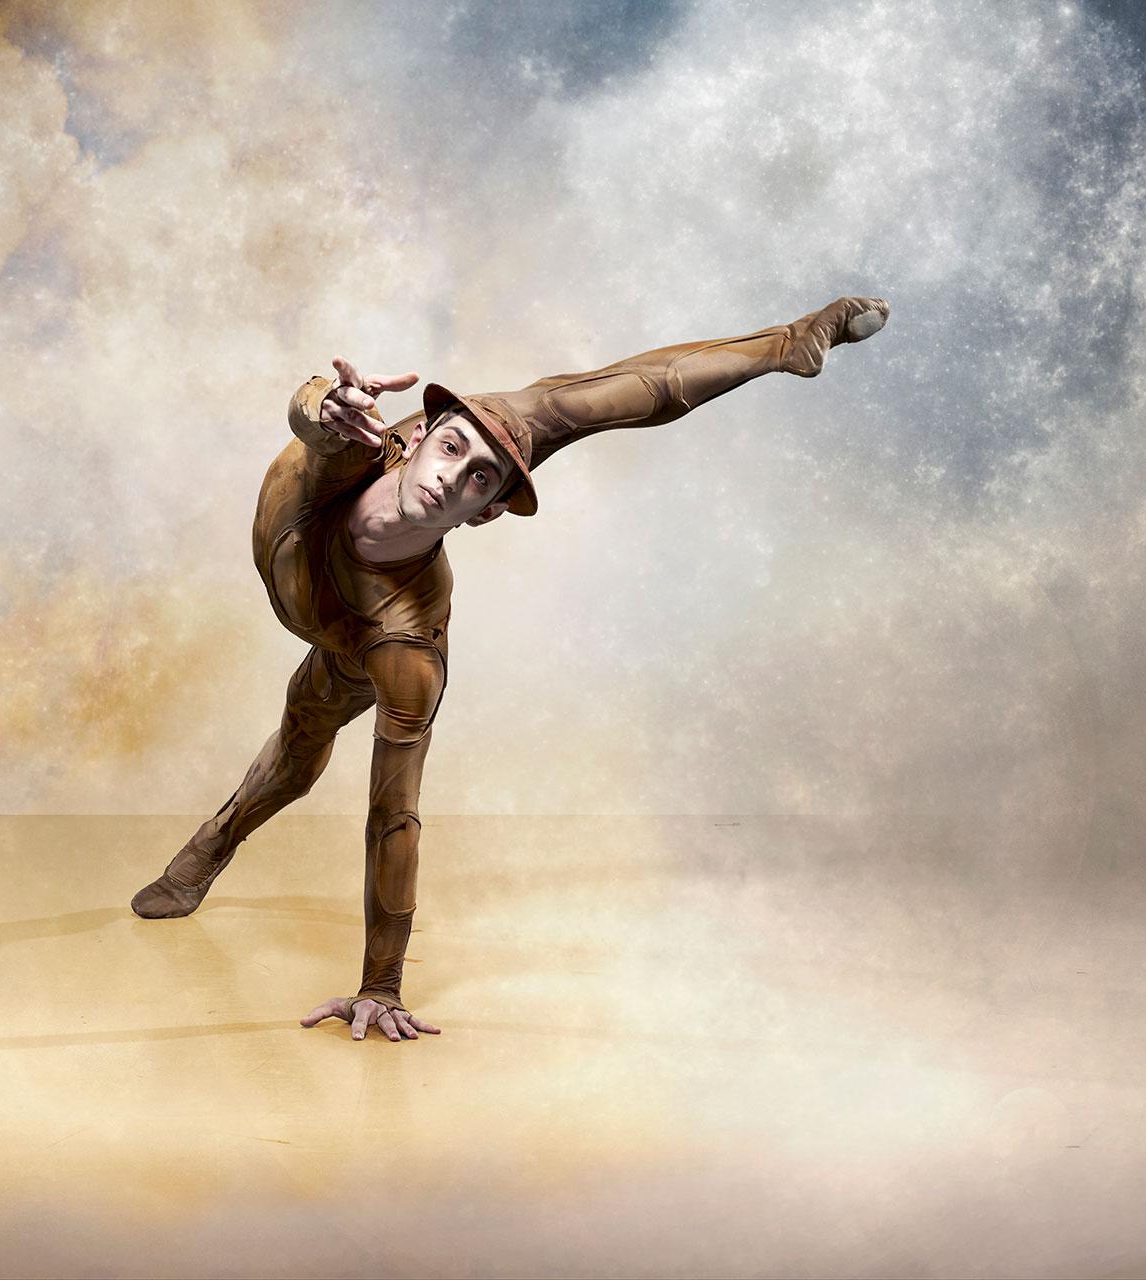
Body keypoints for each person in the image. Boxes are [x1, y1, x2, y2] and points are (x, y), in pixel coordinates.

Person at [132, 295, 891, 1042]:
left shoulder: (409, 644)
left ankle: (212, 841)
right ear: (422, 433)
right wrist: (324, 402)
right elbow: (311, 413)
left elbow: (394, 814)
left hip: (354, 628)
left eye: (478, 484)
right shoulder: (354, 450)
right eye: (451, 450)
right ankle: (787, 343)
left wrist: (381, 982)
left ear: (486, 514)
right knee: (567, 406)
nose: (453, 477)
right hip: (328, 546)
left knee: (300, 750)